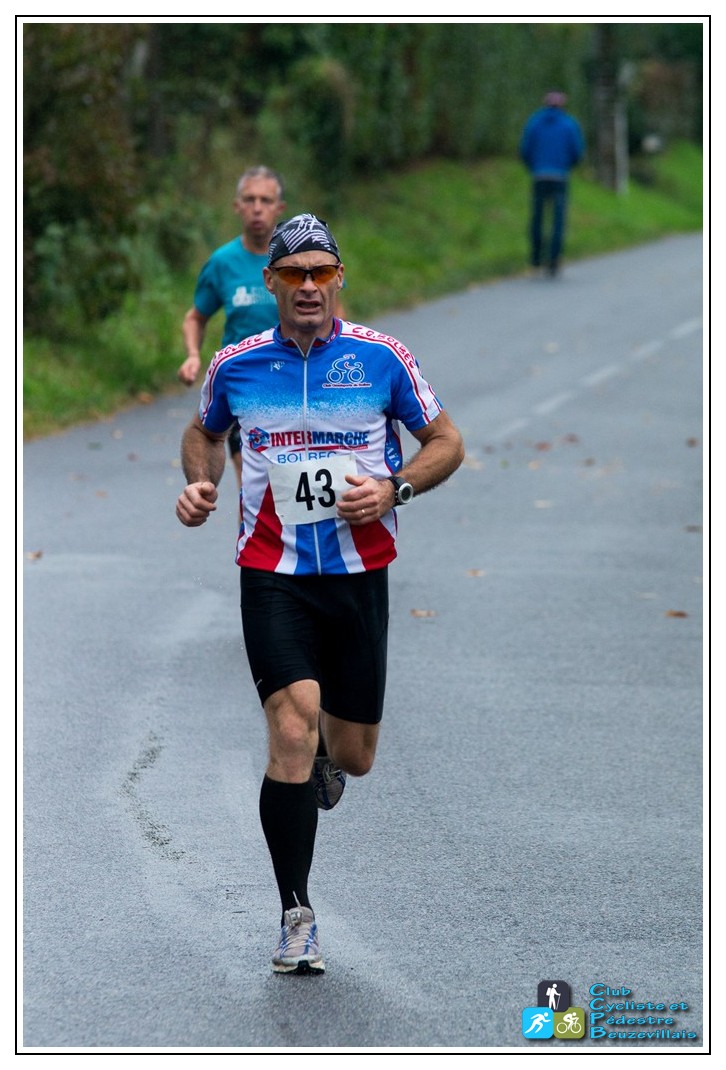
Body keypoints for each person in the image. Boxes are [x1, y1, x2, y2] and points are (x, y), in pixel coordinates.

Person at [176, 213, 464, 975]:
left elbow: (446, 442)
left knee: (353, 755)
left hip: (359, 576)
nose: (309, 286)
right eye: (294, 274)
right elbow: (204, 433)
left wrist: (395, 487)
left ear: (339, 280)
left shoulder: (382, 358)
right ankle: (295, 915)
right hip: (272, 574)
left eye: (322, 272)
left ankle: (326, 763)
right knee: (292, 728)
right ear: (269, 282)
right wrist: (201, 482)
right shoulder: (236, 364)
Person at [177, 166, 287, 485]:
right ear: (237, 206)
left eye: (265, 200)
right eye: (249, 200)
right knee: (252, 476)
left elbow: (334, 315)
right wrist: (193, 355)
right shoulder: (222, 263)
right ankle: (249, 519)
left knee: (290, 476)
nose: (257, 208)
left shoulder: (297, 260)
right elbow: (196, 317)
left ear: (279, 208)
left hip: (293, 378)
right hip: (243, 382)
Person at [519, 91, 585, 276]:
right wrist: (567, 166)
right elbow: (577, 151)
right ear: (562, 106)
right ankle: (554, 259)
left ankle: (535, 259)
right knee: (558, 220)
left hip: (539, 175)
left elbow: (525, 149)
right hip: (560, 177)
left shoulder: (534, 122)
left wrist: (534, 166)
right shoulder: (569, 124)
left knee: (537, 218)